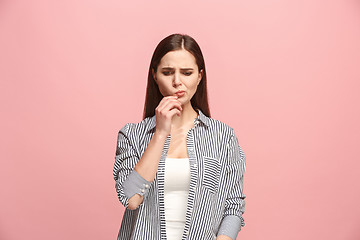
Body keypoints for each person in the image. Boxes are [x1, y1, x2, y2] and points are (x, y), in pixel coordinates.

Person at [113, 33, 246, 240]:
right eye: (167, 72)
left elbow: (233, 207)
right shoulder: (132, 135)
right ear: (155, 75)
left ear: (199, 76)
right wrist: (160, 133)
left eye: (186, 72)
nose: (177, 82)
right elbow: (130, 198)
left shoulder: (223, 137)